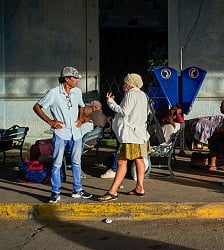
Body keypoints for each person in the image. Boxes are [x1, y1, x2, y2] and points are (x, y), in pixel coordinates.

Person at [32, 66, 93, 203]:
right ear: (67, 79)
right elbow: (37, 107)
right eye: (75, 78)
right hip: (61, 133)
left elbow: (81, 105)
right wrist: (50, 121)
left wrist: (81, 118)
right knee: (57, 163)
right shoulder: (53, 93)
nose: (77, 80)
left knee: (77, 162)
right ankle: (55, 191)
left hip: (75, 133)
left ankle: (78, 189)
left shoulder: (77, 92)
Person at [98, 73, 150, 202]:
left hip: (130, 135)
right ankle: (140, 187)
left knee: (121, 161)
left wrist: (110, 102)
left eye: (125, 82)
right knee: (139, 159)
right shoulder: (143, 95)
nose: (123, 85)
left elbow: (124, 111)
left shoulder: (131, 94)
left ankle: (113, 191)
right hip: (140, 134)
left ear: (129, 83)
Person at [207, 99, 224, 169]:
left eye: (221, 106)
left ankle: (213, 164)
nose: (220, 108)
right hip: (223, 135)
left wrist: (218, 130)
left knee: (214, 141)